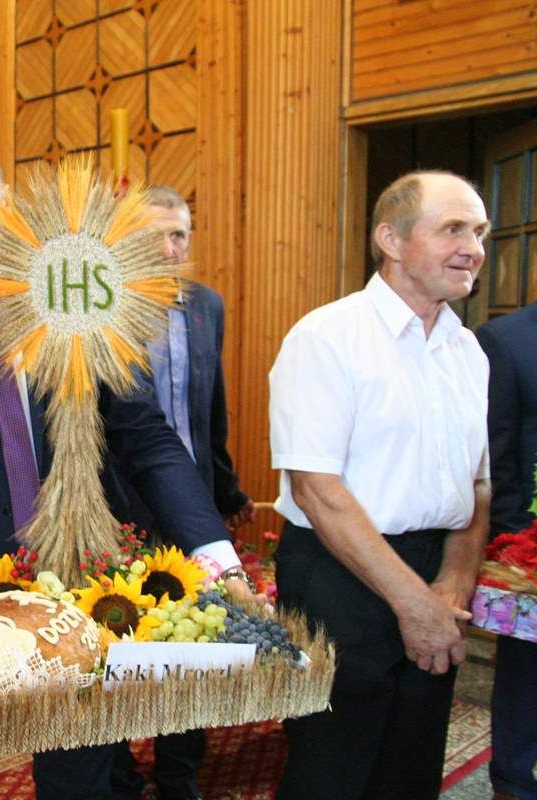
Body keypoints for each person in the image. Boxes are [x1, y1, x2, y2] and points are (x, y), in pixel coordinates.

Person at [0, 130, 256, 800]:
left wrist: (218, 559)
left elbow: (145, 439)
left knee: (82, 786)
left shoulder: (76, 298)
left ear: (5, 200)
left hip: (80, 593)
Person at [269, 170, 492, 799]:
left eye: (479, 232)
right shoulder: (327, 337)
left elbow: (477, 486)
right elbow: (317, 491)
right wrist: (415, 605)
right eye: (453, 229)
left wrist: (453, 583)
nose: (473, 248)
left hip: (436, 574)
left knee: (411, 768)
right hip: (338, 573)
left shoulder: (468, 351)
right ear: (391, 240)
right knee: (331, 772)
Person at [114, 185, 254, 800]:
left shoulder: (205, 306)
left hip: (192, 499)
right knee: (121, 634)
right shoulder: (102, 308)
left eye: (179, 236)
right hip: (121, 505)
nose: (169, 249)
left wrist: (226, 490)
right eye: (155, 237)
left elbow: (211, 409)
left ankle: (179, 773)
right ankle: (119, 767)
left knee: (193, 634)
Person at [475, 303, 537, 800]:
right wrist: (518, 548)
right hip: (530, 549)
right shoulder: (507, 339)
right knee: (527, 676)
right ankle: (514, 782)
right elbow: (496, 453)